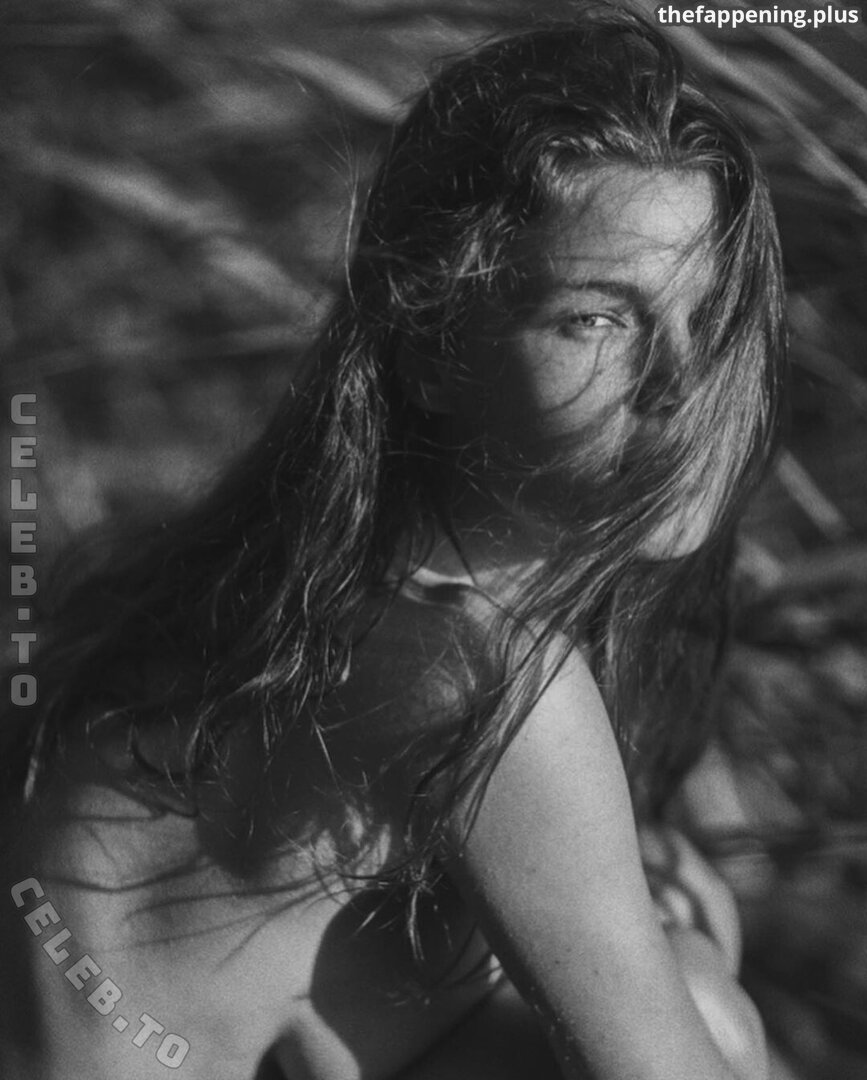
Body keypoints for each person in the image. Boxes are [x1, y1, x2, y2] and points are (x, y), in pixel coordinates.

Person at [1, 4, 788, 1079]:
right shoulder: (489, 682)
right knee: (702, 1003)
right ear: (429, 347)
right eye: (597, 319)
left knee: (664, 960)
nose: (682, 386)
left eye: (713, 316)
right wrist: (696, 971)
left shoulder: (287, 591)